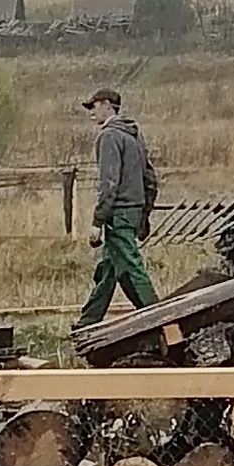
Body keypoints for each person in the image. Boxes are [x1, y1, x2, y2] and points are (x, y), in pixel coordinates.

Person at [75, 83, 159, 325]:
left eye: (93, 106)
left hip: (118, 212)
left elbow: (108, 183)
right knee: (109, 269)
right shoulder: (134, 135)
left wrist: (97, 221)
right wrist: (144, 214)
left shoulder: (109, 136)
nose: (91, 111)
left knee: (131, 266)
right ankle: (88, 322)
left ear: (107, 106)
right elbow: (150, 178)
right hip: (132, 210)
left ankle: (160, 318)